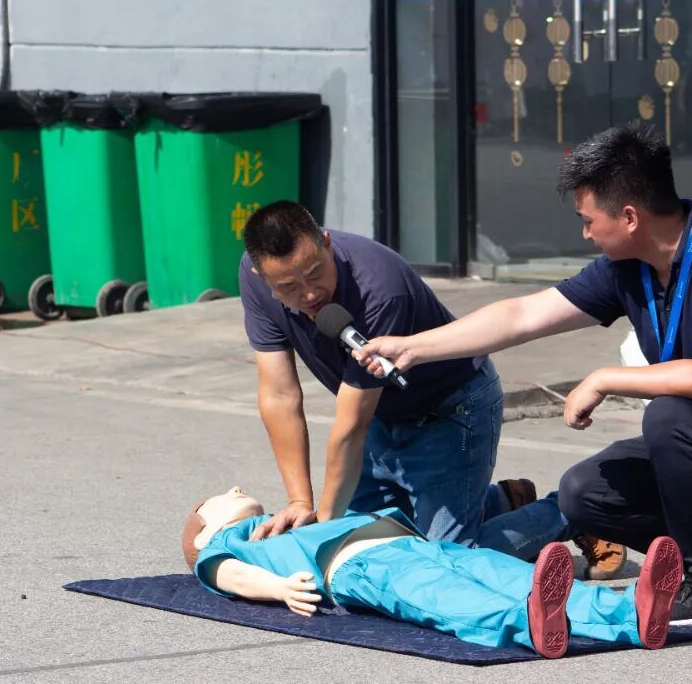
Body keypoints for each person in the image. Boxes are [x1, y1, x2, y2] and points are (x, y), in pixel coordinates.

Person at [355, 123, 692, 625]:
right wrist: (413, 347)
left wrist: (603, 378)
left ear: (629, 216)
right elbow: (521, 316)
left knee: (670, 416)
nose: (585, 233)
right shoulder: (628, 268)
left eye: (588, 221)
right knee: (584, 492)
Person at [238, 200, 624, 574]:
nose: (309, 293)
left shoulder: (378, 287)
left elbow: (351, 426)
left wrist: (322, 532)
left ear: (326, 242)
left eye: (315, 273)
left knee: (442, 561)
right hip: (384, 416)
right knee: (366, 542)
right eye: (289, 286)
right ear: (261, 275)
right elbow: (279, 394)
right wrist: (300, 501)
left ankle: (575, 512)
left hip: (451, 408)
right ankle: (502, 501)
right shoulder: (255, 279)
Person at [180, 486, 684, 657]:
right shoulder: (222, 547)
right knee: (444, 595)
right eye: (220, 497)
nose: (236, 487)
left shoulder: (285, 518)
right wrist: (279, 588)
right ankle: (527, 623)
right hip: (362, 566)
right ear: (204, 534)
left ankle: (629, 613)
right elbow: (230, 577)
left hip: (417, 543)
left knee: (503, 571)